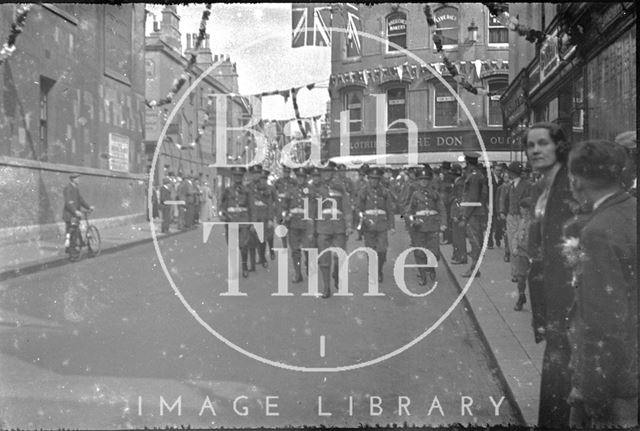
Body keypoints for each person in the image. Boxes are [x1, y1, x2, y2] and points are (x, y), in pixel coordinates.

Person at [563, 140, 637, 428]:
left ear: (577, 179)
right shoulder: (630, 211)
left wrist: (592, 394)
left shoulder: (597, 232)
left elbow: (602, 323)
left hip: (617, 380)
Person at [525, 122, 578, 428]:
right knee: (556, 372)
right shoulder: (545, 185)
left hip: (567, 298)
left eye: (543, 143)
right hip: (551, 297)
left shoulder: (568, 185)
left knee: (561, 376)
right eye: (531, 145)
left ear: (558, 146)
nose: (535, 150)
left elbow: (571, 247)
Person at [314, 164, 352, 298]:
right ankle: (326, 287)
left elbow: (347, 207)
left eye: (329, 171)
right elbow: (311, 210)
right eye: (324, 172)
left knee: (340, 256)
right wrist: (311, 229)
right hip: (323, 226)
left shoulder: (340, 187)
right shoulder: (315, 188)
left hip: (339, 226)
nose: (326, 174)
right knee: (324, 259)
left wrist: (348, 225)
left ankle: (336, 273)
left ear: (332, 173)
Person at [406, 167, 447, 285]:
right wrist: (413, 221)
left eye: (426, 179)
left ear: (430, 181)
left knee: (435, 253)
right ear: (418, 181)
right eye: (421, 179)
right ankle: (422, 276)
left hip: (433, 226)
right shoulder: (414, 195)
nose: (423, 182)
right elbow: (407, 213)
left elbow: (442, 209)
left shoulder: (435, 194)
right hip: (419, 228)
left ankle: (431, 267)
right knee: (419, 252)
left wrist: (443, 223)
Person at [357, 166, 396, 283]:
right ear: (369, 179)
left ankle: (379, 270)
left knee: (382, 250)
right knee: (370, 250)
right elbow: (359, 209)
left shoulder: (385, 192)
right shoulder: (363, 191)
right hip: (368, 225)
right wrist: (362, 220)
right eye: (372, 179)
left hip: (382, 225)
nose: (374, 181)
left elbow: (390, 210)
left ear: (379, 180)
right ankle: (374, 270)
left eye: (376, 179)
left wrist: (392, 226)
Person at [219, 166, 254, 278]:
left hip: (244, 222)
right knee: (232, 247)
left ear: (242, 177)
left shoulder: (248, 191)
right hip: (231, 222)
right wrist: (223, 214)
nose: (237, 178)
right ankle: (234, 269)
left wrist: (252, 223)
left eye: (239, 176)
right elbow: (222, 205)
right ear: (233, 177)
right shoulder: (227, 191)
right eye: (235, 176)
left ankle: (244, 266)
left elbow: (252, 207)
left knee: (244, 246)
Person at [500, 162, 532, 282]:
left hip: (523, 217)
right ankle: (515, 272)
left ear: (512, 173)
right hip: (512, 216)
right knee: (512, 243)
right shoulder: (510, 185)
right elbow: (504, 200)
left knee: (522, 243)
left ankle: (522, 271)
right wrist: (503, 212)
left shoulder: (527, 185)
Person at [283, 167, 316, 283]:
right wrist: (285, 216)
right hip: (293, 225)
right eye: (298, 177)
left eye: (302, 177)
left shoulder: (312, 190)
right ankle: (298, 274)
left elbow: (315, 207)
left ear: (305, 178)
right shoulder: (291, 191)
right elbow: (285, 206)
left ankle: (308, 266)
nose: (300, 179)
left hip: (307, 225)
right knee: (295, 251)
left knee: (308, 249)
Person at [460, 151, 488, 278]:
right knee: (477, 240)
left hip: (473, 213)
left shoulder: (473, 176)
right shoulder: (477, 175)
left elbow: (472, 198)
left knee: (474, 241)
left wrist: (465, 216)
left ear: (468, 162)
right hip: (477, 211)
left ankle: (474, 268)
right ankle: (475, 267)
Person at [62, 173, 93, 252]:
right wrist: (75, 211)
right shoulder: (68, 188)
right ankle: (71, 249)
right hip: (69, 214)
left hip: (75, 214)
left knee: (75, 231)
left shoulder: (76, 189)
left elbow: (81, 200)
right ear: (73, 179)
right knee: (71, 232)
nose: (79, 180)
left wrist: (88, 207)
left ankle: (74, 247)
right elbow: (68, 202)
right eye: (77, 178)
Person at [512, 197, 533, 311]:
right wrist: (514, 247)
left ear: (527, 209)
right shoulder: (522, 221)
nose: (520, 210)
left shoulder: (533, 222)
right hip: (521, 254)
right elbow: (516, 235)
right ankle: (521, 297)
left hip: (531, 255)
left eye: (522, 208)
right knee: (521, 278)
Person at [449, 163, 467, 264]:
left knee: (458, 237)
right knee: (457, 236)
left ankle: (461, 256)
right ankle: (458, 255)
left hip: (457, 213)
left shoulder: (459, 183)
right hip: (456, 212)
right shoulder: (459, 182)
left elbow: (459, 200)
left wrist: (457, 214)